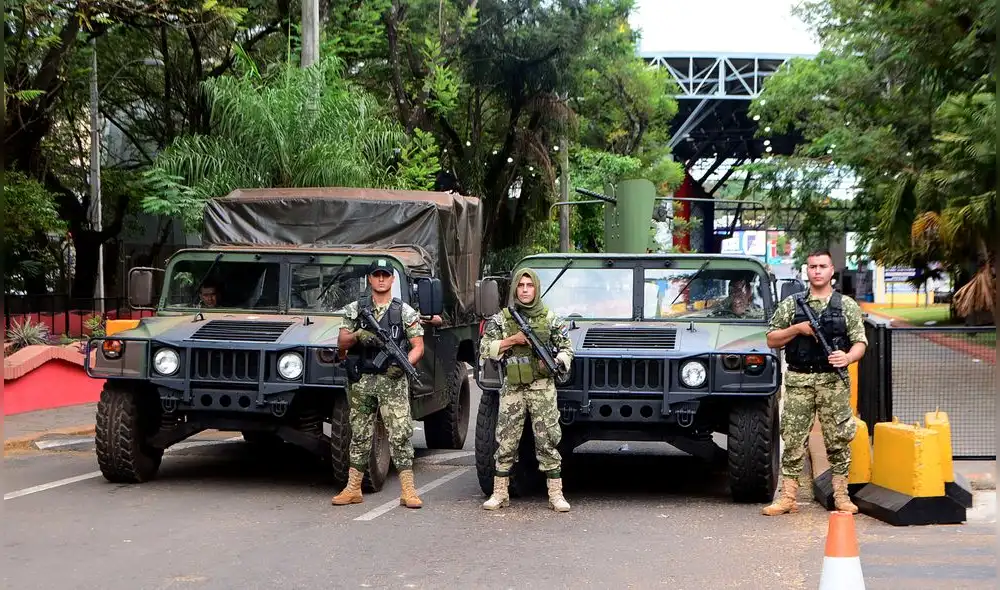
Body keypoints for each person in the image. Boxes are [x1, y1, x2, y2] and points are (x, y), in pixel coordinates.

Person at [762, 249, 867, 516]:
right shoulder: (792, 304)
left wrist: (847, 357)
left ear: (832, 271)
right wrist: (797, 329)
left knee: (838, 438)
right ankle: (788, 497)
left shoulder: (846, 305)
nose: (817, 271)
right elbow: (771, 339)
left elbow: (860, 342)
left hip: (833, 381)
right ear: (806, 271)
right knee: (793, 438)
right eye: (812, 266)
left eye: (822, 266)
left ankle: (841, 495)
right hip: (799, 379)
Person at [331, 258, 426, 509]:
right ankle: (353, 488)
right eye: (377, 275)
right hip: (362, 381)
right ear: (370, 279)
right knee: (360, 434)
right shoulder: (355, 309)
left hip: (392, 383)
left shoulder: (404, 312)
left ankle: (408, 490)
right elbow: (341, 343)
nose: (381, 279)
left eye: (386, 275)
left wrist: (404, 363)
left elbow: (418, 347)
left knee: (401, 434)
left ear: (393, 279)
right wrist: (359, 335)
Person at [479, 268, 574, 512]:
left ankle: (556, 494)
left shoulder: (550, 318)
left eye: (529, 285)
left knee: (548, 440)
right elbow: (485, 348)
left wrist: (558, 361)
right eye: (520, 285)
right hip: (513, 387)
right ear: (515, 290)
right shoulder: (502, 319)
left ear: (536, 289)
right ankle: (500, 493)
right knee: (506, 439)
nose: (524, 289)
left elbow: (566, 346)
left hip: (542, 387)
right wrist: (513, 340)